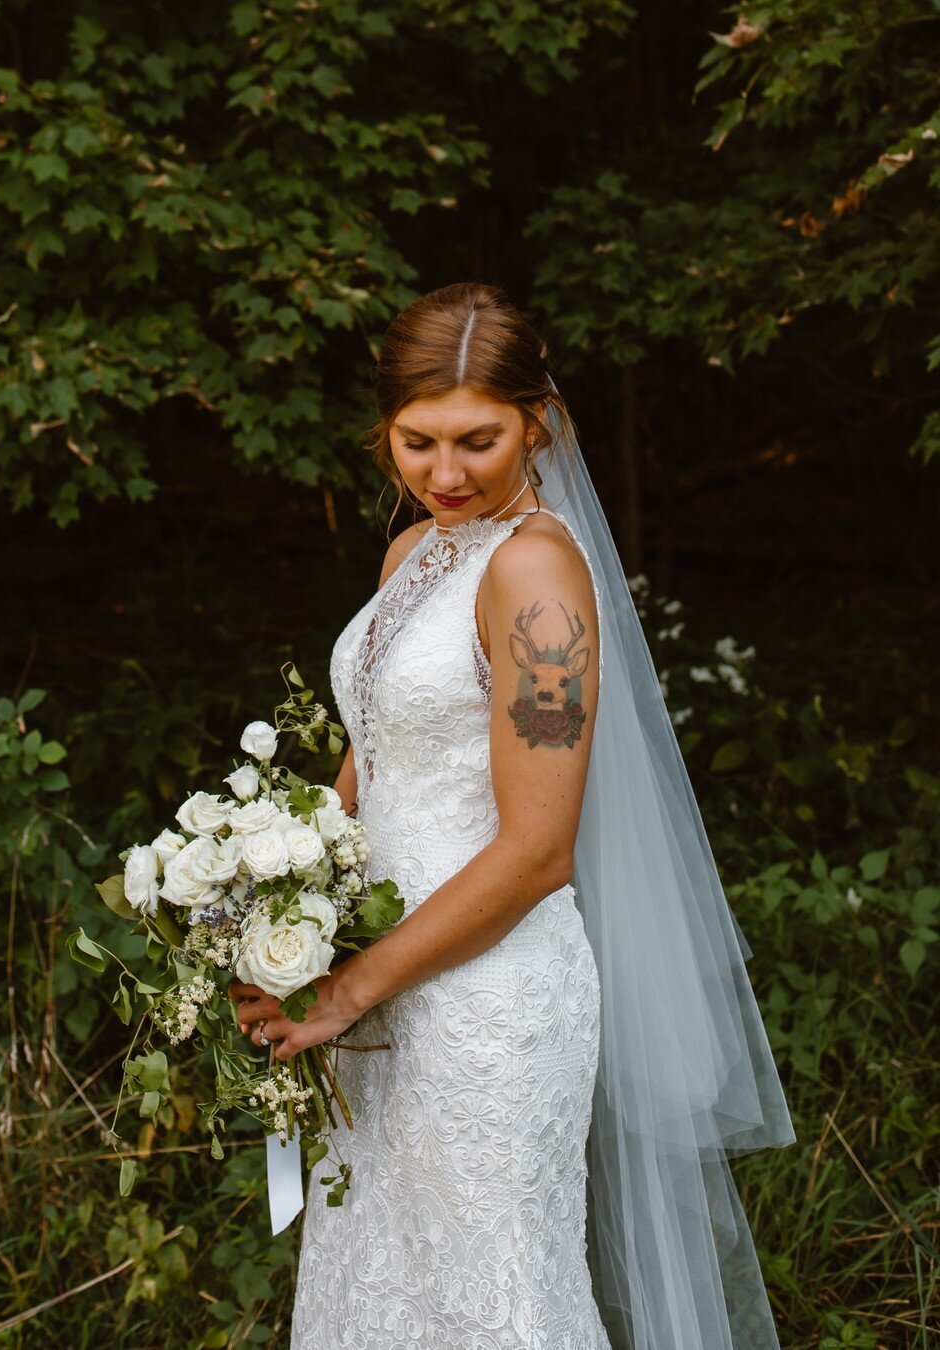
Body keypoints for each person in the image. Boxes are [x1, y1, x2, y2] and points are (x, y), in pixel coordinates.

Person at [230, 281, 796, 1348]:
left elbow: (537, 853)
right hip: (376, 980)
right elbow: (381, 745)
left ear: (539, 419)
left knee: (495, 1299)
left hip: (483, 999)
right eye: (418, 442)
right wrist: (272, 893)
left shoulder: (535, 574)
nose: (445, 475)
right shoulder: (415, 553)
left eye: (479, 441)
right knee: (380, 1288)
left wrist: (351, 985)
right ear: (383, 431)